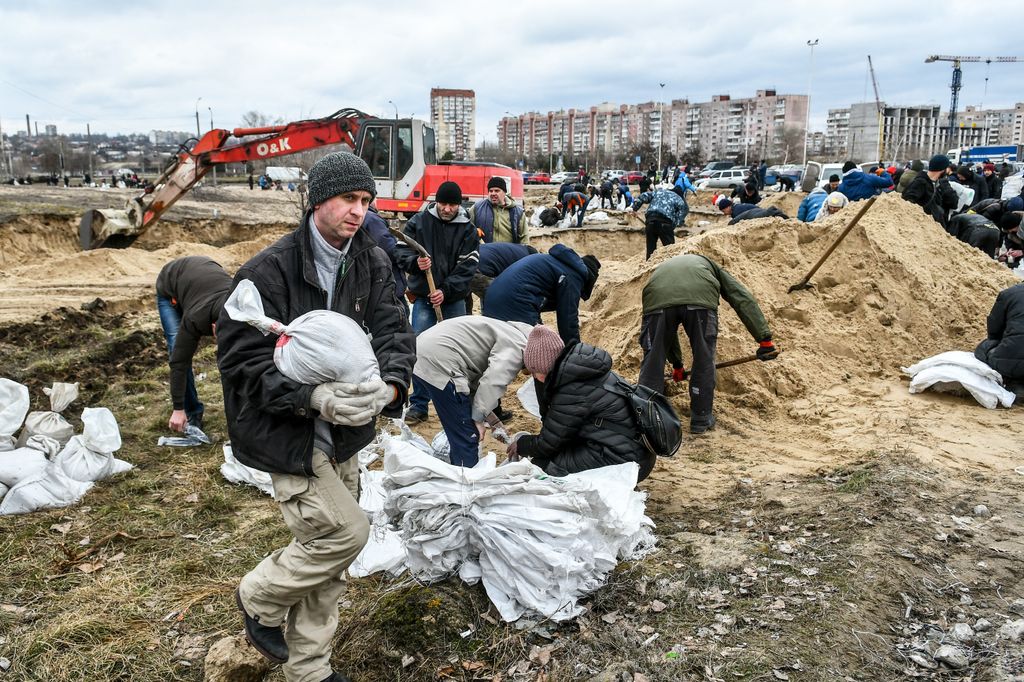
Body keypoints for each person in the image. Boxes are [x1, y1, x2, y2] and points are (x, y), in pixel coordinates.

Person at [216, 151, 415, 682]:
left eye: (366, 201)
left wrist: (391, 386)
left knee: (325, 559)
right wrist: (311, 399)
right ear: (318, 200)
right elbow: (241, 363)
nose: (358, 211)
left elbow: (394, 329)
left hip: (348, 430)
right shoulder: (267, 271)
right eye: (349, 199)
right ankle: (258, 595)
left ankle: (309, 670)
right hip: (290, 433)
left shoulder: (371, 261)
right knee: (345, 535)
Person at [637, 254, 775, 433]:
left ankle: (647, 418)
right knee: (703, 357)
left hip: (656, 296)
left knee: (653, 358)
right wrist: (764, 339)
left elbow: (664, 337)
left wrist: (677, 364)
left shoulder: (664, 269)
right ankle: (701, 418)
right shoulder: (712, 267)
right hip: (699, 300)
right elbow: (741, 298)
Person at [505, 325, 655, 480]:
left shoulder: (571, 390)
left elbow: (549, 443)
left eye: (535, 372)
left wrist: (522, 444)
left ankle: (613, 487)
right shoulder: (583, 371)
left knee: (543, 467)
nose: (535, 378)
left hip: (626, 462)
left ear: (546, 367)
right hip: (634, 452)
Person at [395, 180, 480, 424]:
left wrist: (445, 290)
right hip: (423, 299)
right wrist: (415, 264)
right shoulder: (419, 222)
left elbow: (468, 267)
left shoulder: (467, 230)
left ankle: (457, 403)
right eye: (443, 203)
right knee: (420, 349)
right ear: (437, 202)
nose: (447, 209)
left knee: (456, 351)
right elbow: (401, 250)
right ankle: (419, 405)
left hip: (453, 301)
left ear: (458, 205)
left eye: (452, 204)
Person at [413, 317, 534, 467]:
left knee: (464, 427)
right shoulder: (517, 347)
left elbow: (476, 387)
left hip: (424, 350)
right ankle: (467, 483)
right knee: (468, 435)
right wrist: (477, 420)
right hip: (440, 361)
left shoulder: (511, 332)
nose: (528, 374)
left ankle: (459, 471)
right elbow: (492, 382)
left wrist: (493, 421)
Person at [156, 256, 233, 433]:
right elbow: (179, 363)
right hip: (171, 285)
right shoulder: (196, 318)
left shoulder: (244, 308)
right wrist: (177, 408)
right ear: (213, 327)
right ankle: (192, 413)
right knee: (177, 346)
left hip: (206, 274)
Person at [483, 244, 600, 344]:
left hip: (492, 299)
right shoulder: (574, 275)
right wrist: (574, 349)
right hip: (515, 301)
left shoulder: (555, 263)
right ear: (589, 279)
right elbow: (568, 318)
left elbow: (540, 300)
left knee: (509, 344)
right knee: (538, 348)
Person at [975, 282, 1024, 397]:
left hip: (1010, 363)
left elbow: (994, 331)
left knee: (984, 347)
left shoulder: (1009, 294)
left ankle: (1015, 383)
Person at [471, 242, 538, 311]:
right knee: (496, 299)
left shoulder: (515, 249)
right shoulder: (527, 261)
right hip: (478, 267)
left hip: (468, 259)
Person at [632, 186, 689, 259]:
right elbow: (681, 216)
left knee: (650, 249)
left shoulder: (659, 192)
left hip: (650, 221)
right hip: (665, 223)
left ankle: (649, 266)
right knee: (670, 250)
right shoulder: (679, 199)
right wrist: (672, 227)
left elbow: (643, 196)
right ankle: (670, 267)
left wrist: (634, 208)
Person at [903, 154, 959, 230]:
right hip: (923, 229)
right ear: (943, 169)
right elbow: (905, 204)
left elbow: (954, 203)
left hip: (936, 228)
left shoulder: (941, 184)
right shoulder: (920, 183)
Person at [469, 177, 527, 244]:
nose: (493, 193)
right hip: (484, 252)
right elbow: (467, 228)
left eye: (497, 191)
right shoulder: (477, 208)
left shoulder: (517, 212)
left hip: (508, 253)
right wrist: (474, 231)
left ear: (504, 192)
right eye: (491, 191)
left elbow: (524, 238)